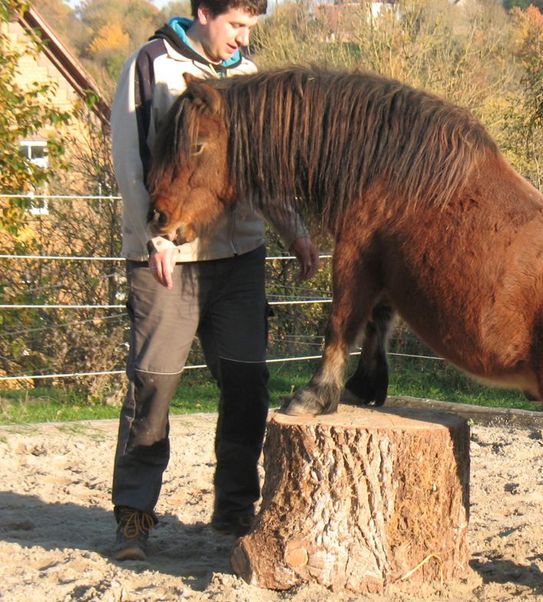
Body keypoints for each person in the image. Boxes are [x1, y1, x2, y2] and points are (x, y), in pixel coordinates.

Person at [109, 0, 319, 561]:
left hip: (240, 257)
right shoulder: (151, 66)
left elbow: (263, 169)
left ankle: (233, 511)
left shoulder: (247, 76)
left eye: (251, 26)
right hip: (166, 260)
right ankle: (133, 516)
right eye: (236, 24)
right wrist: (156, 238)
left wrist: (294, 231)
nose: (243, 37)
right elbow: (130, 164)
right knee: (153, 386)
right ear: (203, 12)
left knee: (248, 388)